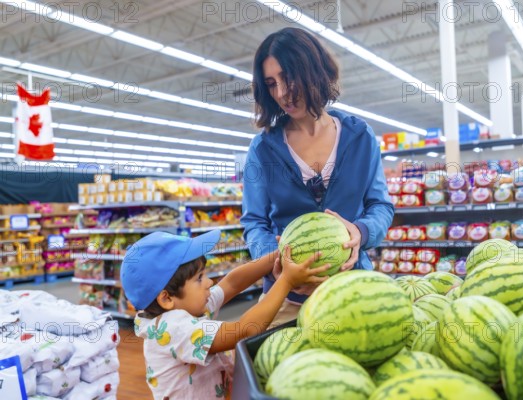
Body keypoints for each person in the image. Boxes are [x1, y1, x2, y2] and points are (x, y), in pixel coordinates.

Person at [241, 27, 394, 325]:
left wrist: (360, 232)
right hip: (285, 297)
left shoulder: (359, 137)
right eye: (271, 84)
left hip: (353, 290)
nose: (282, 93)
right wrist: (278, 260)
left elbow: (381, 206)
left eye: (288, 78)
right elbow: (254, 221)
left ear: (314, 71)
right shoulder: (263, 148)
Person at [120, 230, 328, 400]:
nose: (210, 282)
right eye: (200, 278)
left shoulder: (186, 306)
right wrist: (287, 281)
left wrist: (278, 255)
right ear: (166, 298)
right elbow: (244, 330)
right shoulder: (173, 328)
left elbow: (231, 283)